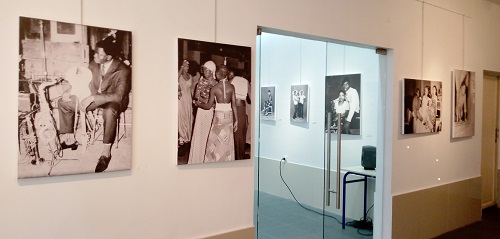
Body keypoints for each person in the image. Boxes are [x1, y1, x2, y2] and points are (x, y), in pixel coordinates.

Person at [58, 38, 131, 173]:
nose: (95, 56)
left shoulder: (123, 70)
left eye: (99, 54)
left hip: (114, 100)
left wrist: (92, 98)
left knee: (109, 112)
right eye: (95, 52)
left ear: (109, 57)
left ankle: (105, 153)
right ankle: (70, 139)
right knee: (64, 102)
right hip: (94, 97)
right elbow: (85, 82)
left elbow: (118, 96)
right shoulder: (93, 64)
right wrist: (71, 90)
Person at [196, 64, 238, 162]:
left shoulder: (215, 88)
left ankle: (214, 162)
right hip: (229, 117)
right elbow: (234, 105)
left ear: (218, 74)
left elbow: (208, 106)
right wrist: (237, 121)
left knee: (214, 142)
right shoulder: (231, 87)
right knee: (226, 141)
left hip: (218, 118)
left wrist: (198, 104)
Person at [188, 61, 217, 164]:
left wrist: (203, 101)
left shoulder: (216, 83)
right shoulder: (201, 80)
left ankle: (205, 159)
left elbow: (215, 102)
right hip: (201, 110)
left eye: (207, 70)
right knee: (199, 133)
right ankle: (197, 158)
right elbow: (196, 96)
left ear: (212, 71)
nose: (205, 72)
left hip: (210, 112)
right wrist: (207, 101)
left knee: (207, 134)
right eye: (204, 69)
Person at [228, 70, 249, 160]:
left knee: (235, 133)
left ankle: (235, 156)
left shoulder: (232, 80)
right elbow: (251, 98)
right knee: (241, 133)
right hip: (241, 108)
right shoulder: (246, 82)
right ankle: (239, 157)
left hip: (232, 107)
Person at [178, 60, 194, 146]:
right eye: (185, 66)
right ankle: (182, 137)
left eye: (188, 66)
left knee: (188, 117)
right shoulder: (179, 76)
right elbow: (175, 78)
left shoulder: (190, 76)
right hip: (180, 99)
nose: (187, 68)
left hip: (188, 99)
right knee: (181, 117)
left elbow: (191, 90)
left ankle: (187, 137)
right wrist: (181, 67)